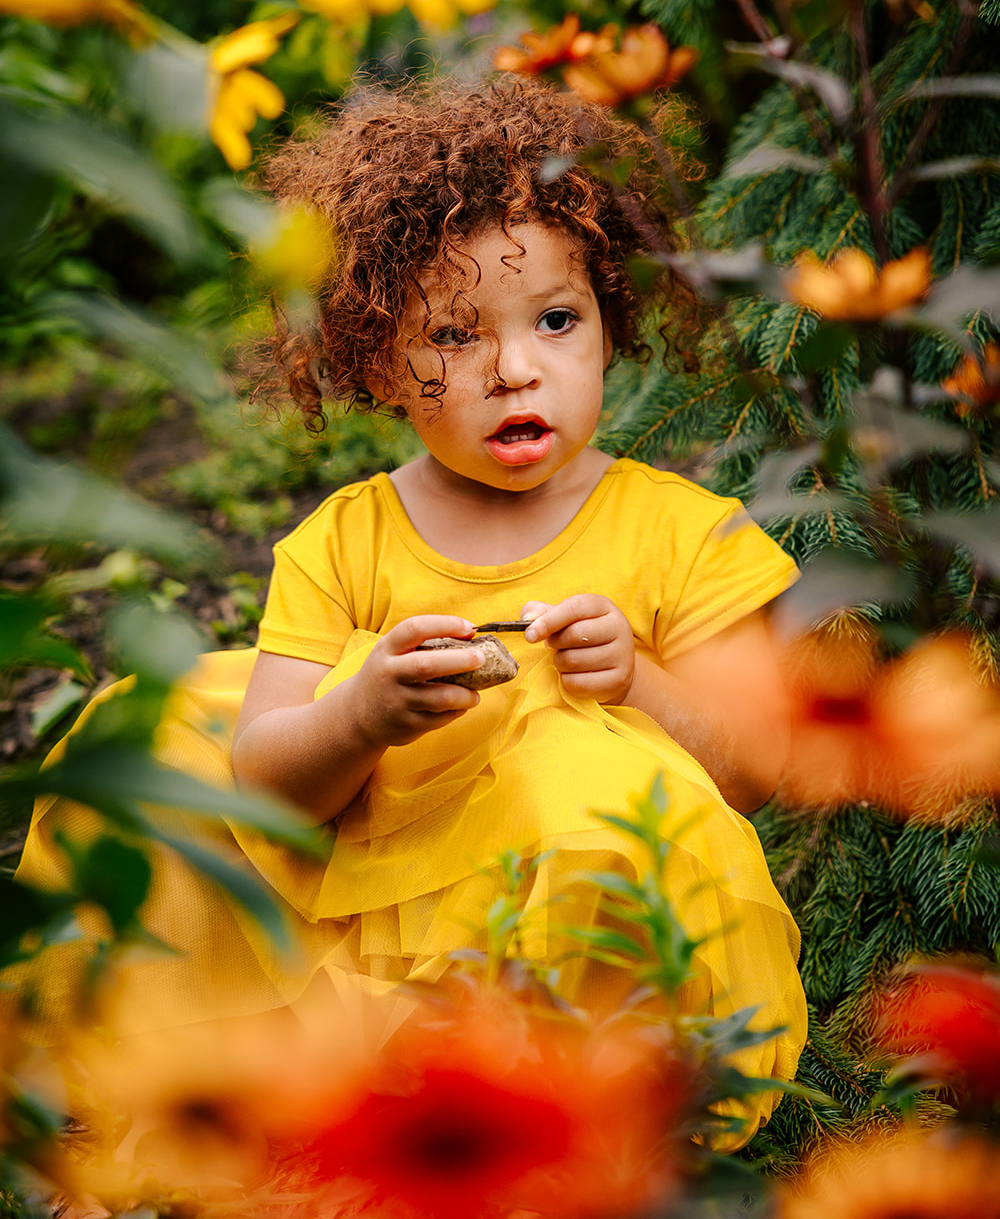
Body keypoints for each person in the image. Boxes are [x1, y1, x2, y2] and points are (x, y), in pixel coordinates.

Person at [17, 77, 805, 1139]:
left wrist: (639, 682)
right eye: (451, 335)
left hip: (546, 922)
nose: (514, 368)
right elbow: (268, 786)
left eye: (556, 320)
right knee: (145, 733)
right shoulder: (345, 540)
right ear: (377, 361)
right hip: (354, 903)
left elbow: (749, 776)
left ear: (611, 328)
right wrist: (362, 714)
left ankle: (548, 1096)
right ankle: (183, 1088)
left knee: (584, 769)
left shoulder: (682, 532)